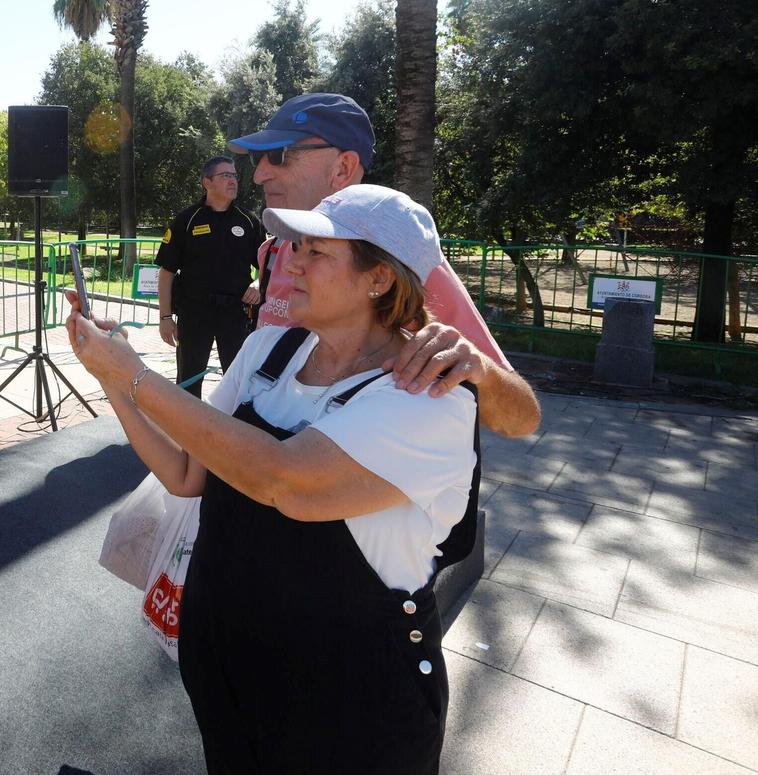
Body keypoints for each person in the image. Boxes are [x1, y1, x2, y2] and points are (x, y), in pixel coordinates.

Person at [67, 185, 477, 774]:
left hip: (349, 696)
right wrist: (108, 372)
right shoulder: (267, 349)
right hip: (231, 667)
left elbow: (285, 481)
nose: (291, 261)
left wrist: (133, 377)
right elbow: (187, 473)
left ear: (379, 279)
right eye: (295, 246)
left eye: (317, 252)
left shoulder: (428, 400)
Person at [230, 93, 540, 438]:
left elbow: (521, 420)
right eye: (259, 158)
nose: (258, 175)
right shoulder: (274, 251)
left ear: (343, 168)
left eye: (278, 156)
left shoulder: (401, 262)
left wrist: (478, 370)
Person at [155, 155, 266, 397]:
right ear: (207, 182)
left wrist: (258, 283)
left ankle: (234, 430)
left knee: (237, 380)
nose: (233, 181)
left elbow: (266, 264)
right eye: (225, 175)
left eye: (234, 175)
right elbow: (167, 271)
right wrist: (165, 317)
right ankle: (184, 431)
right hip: (195, 312)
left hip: (235, 314)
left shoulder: (249, 221)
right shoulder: (187, 220)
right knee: (188, 380)